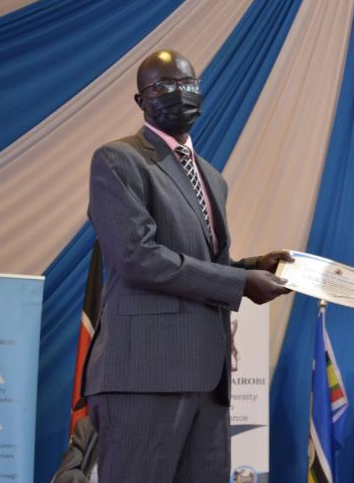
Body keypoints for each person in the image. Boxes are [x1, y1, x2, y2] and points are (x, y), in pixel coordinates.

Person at [83, 49, 292, 482]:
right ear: (141, 100)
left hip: (207, 378)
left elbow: (197, 265)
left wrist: (254, 265)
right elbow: (137, 256)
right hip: (144, 374)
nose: (180, 94)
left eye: (188, 84)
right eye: (163, 86)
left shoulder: (211, 177)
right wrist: (239, 281)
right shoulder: (118, 160)